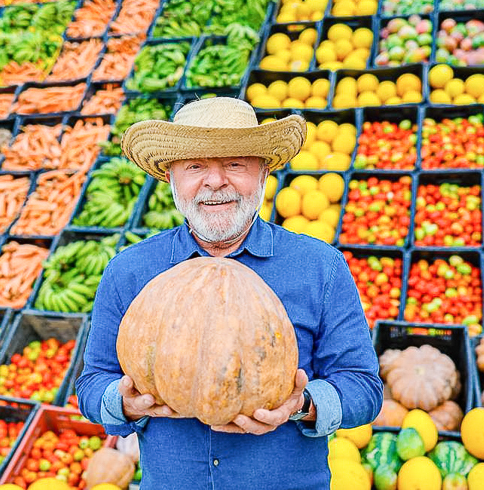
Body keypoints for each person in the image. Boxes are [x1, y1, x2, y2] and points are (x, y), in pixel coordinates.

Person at [75, 97, 383, 489]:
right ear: (171, 178)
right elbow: (92, 382)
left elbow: (365, 388)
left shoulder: (319, 267)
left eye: (235, 163)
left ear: (263, 173)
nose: (215, 181)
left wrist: (302, 406)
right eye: (195, 166)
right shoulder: (130, 271)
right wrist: (123, 404)